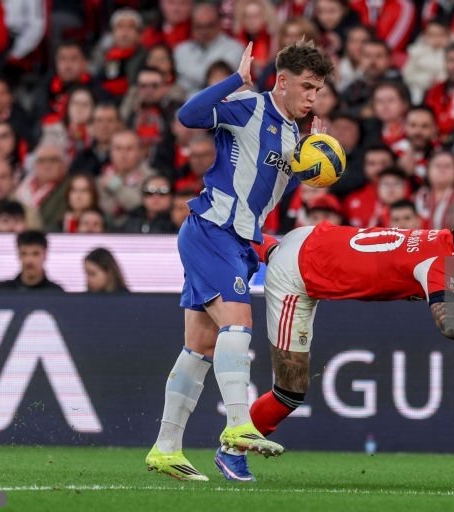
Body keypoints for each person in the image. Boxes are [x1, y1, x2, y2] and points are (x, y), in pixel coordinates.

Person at [145, 40, 334, 483]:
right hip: (211, 229)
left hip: (240, 242)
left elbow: (268, 189)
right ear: (281, 81)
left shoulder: (295, 135)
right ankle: (238, 423)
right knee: (237, 325)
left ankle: (165, 448)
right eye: (306, 87)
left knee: (200, 347)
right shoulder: (247, 106)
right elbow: (188, 117)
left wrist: (310, 156)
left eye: (318, 90)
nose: (312, 97)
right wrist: (235, 80)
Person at [245, 214, 454, 451]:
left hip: (311, 239)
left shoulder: (453, 252)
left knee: (263, 245)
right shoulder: (439, 263)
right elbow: (449, 324)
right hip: (297, 275)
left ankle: (242, 236)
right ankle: (234, 447)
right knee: (291, 390)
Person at [0, 230, 64, 292]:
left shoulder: (56, 293)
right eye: (24, 254)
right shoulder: (1, 291)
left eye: (35, 254)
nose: (29, 260)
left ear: (45, 255)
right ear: (18, 255)